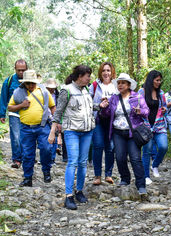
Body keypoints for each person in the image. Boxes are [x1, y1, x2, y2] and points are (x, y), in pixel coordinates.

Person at [48, 65, 97, 210]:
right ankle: (68, 196)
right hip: (72, 131)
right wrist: (53, 132)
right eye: (88, 76)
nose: (89, 78)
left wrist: (100, 105)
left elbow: (88, 107)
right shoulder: (66, 90)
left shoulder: (86, 90)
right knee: (73, 162)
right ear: (80, 76)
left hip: (87, 131)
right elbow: (58, 112)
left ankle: (79, 191)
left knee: (83, 162)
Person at [99, 73, 149, 195]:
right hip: (118, 132)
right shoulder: (114, 98)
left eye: (123, 83)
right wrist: (104, 107)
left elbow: (146, 111)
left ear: (129, 85)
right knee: (120, 157)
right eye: (119, 83)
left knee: (135, 158)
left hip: (133, 132)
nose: (120, 85)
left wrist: (140, 111)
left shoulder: (137, 97)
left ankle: (141, 185)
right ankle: (125, 179)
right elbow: (107, 114)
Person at [7, 70, 56, 187]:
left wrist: (56, 123)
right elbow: (10, 107)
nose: (31, 85)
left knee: (46, 149)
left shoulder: (43, 91)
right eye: (28, 83)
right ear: (24, 83)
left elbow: (52, 106)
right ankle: (28, 178)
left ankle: (46, 171)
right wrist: (21, 105)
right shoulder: (18, 92)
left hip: (43, 126)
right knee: (27, 154)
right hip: (26, 128)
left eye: (33, 83)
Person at [89, 62, 119, 185]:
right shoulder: (95, 85)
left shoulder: (117, 86)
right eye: (104, 71)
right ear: (100, 73)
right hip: (98, 119)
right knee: (98, 145)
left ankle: (108, 174)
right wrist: (99, 105)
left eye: (108, 70)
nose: (106, 73)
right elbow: (88, 103)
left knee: (110, 147)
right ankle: (97, 175)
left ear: (112, 72)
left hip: (113, 120)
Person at [139, 70, 168, 185]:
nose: (159, 82)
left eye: (160, 80)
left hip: (159, 125)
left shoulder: (161, 93)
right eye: (157, 80)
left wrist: (165, 110)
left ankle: (155, 165)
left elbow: (165, 108)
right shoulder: (142, 92)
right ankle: (146, 176)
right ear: (151, 80)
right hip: (146, 126)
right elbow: (136, 107)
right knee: (147, 150)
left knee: (163, 147)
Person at [0, 59, 28, 168]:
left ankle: (27, 158)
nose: (21, 72)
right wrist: (2, 114)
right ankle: (17, 159)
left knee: (27, 137)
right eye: (19, 70)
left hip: (28, 114)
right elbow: (3, 97)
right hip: (14, 113)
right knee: (16, 137)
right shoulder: (9, 81)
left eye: (23, 70)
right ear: (15, 69)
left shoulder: (30, 80)